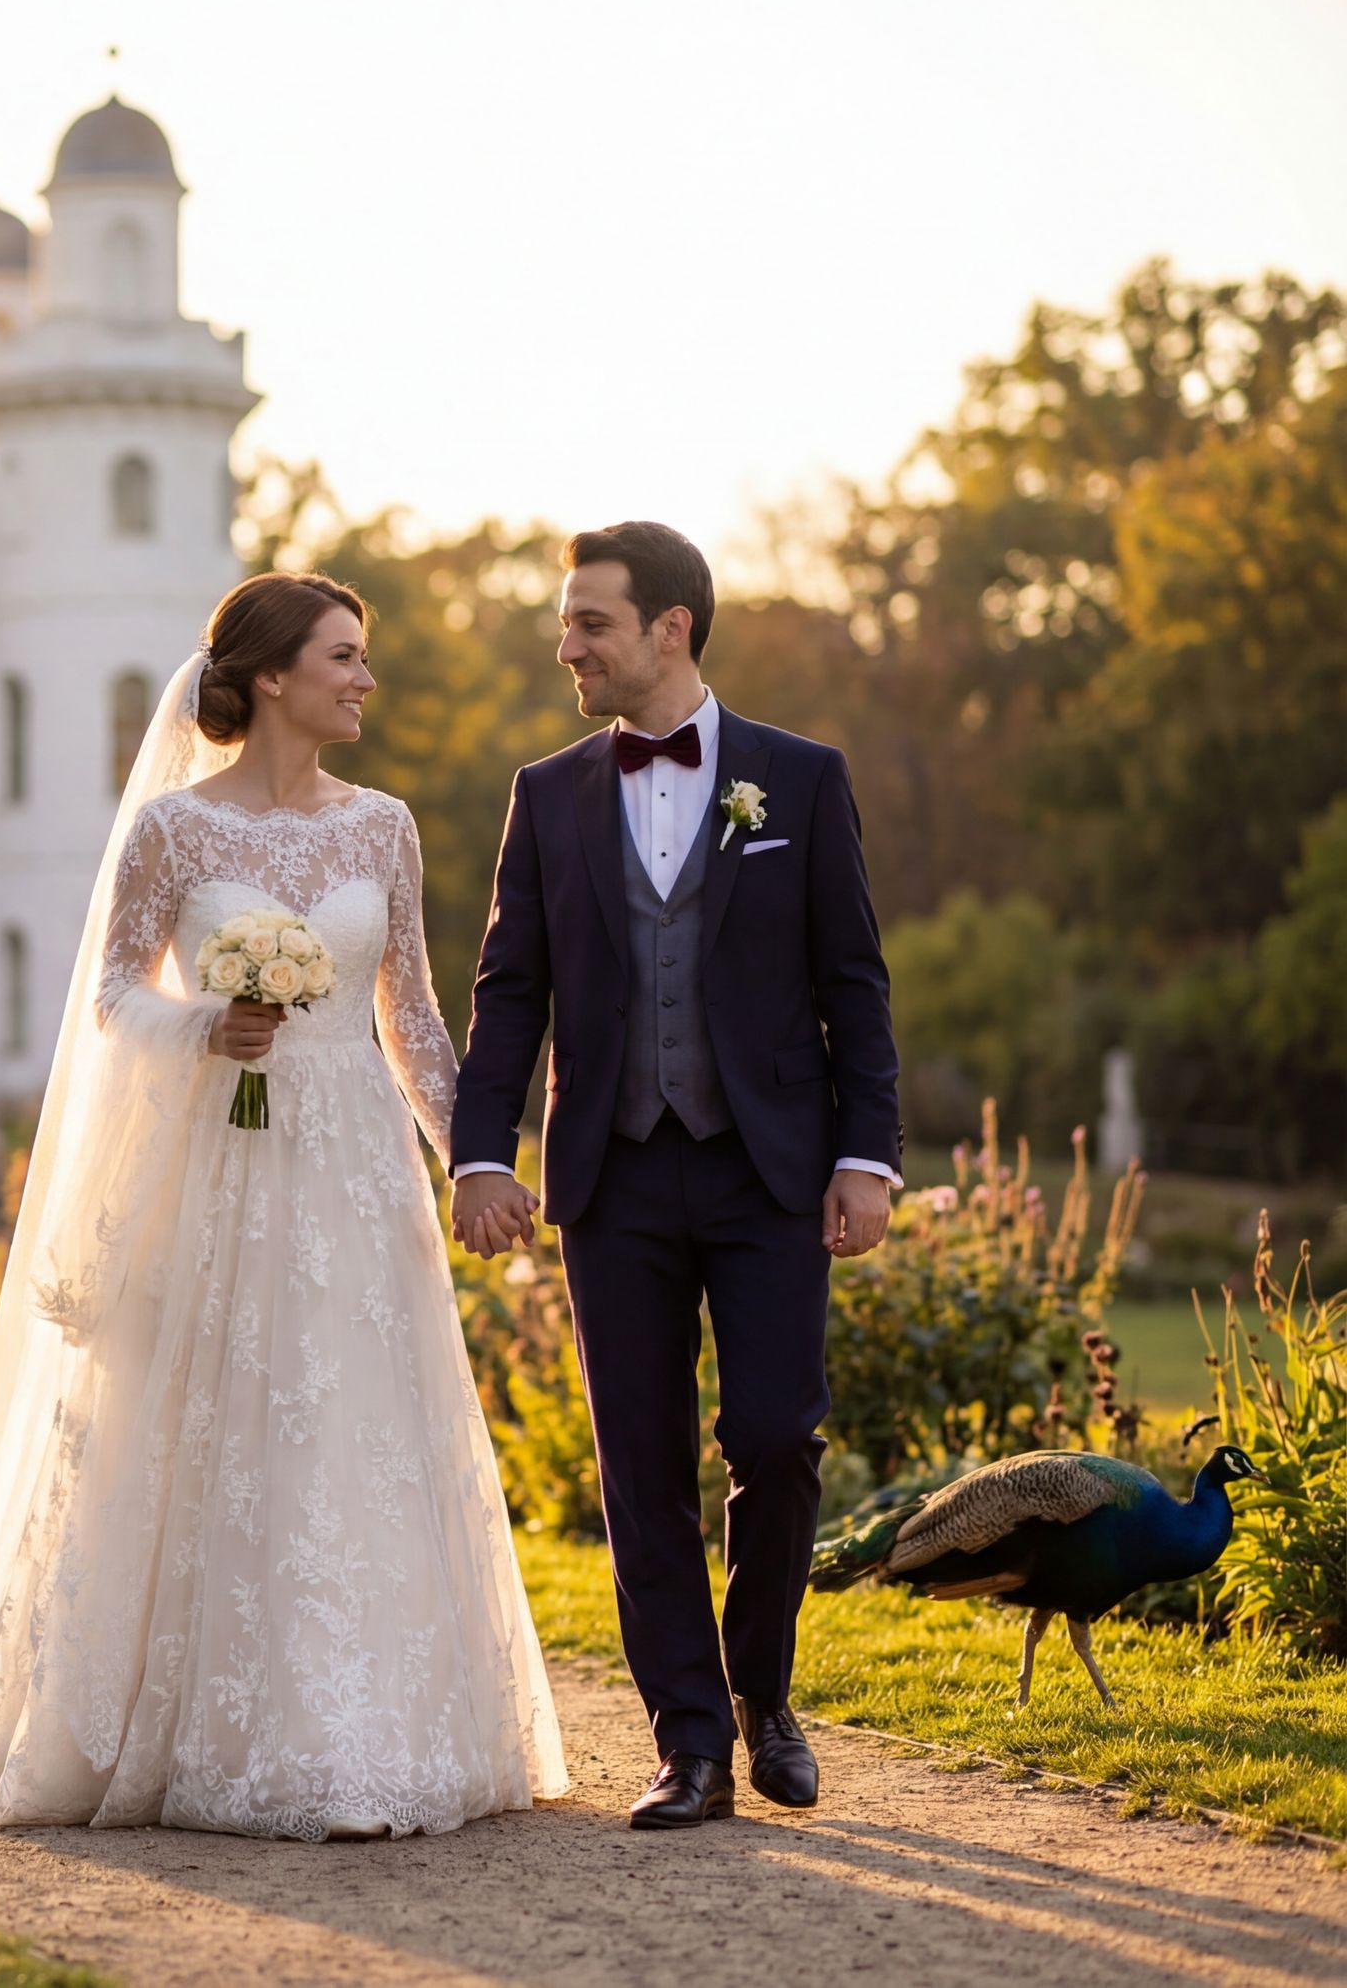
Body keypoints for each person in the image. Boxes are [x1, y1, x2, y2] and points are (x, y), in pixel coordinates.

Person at [0, 572, 566, 1840]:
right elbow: (111, 997)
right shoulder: (172, 831)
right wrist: (205, 1023)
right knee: (220, 1430)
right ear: (271, 676)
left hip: (353, 1171)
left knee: (353, 1428)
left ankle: (364, 1731)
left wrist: (468, 1159)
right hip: (217, 1168)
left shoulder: (384, 827)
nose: (365, 678)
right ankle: (223, 1731)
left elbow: (414, 1020)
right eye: (343, 656)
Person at [449, 521, 899, 1829]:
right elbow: (509, 991)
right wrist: (481, 1153)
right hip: (614, 1176)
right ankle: (689, 1743)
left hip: (769, 1171)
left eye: (589, 622)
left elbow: (855, 984)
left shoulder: (798, 780)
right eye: (565, 622)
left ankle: (763, 1691)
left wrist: (866, 1155)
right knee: (639, 1465)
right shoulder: (547, 794)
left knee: (777, 1437)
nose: (567, 646)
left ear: (670, 629)